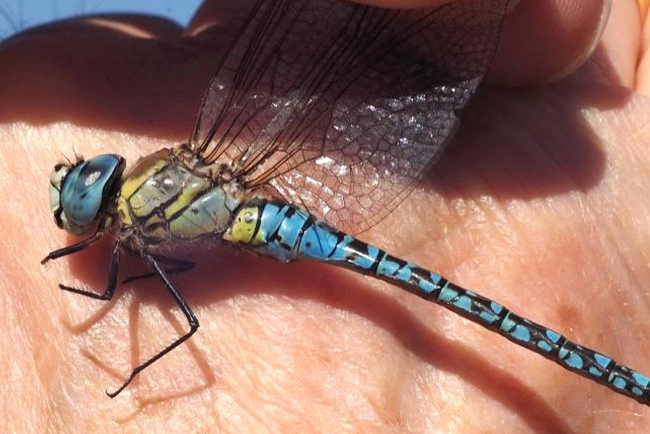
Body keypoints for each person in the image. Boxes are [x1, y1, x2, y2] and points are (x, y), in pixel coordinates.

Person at [1, 0, 648, 432]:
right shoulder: (142, 209)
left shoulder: (132, 222)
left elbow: (151, 281)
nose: (80, 190)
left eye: (84, 192)